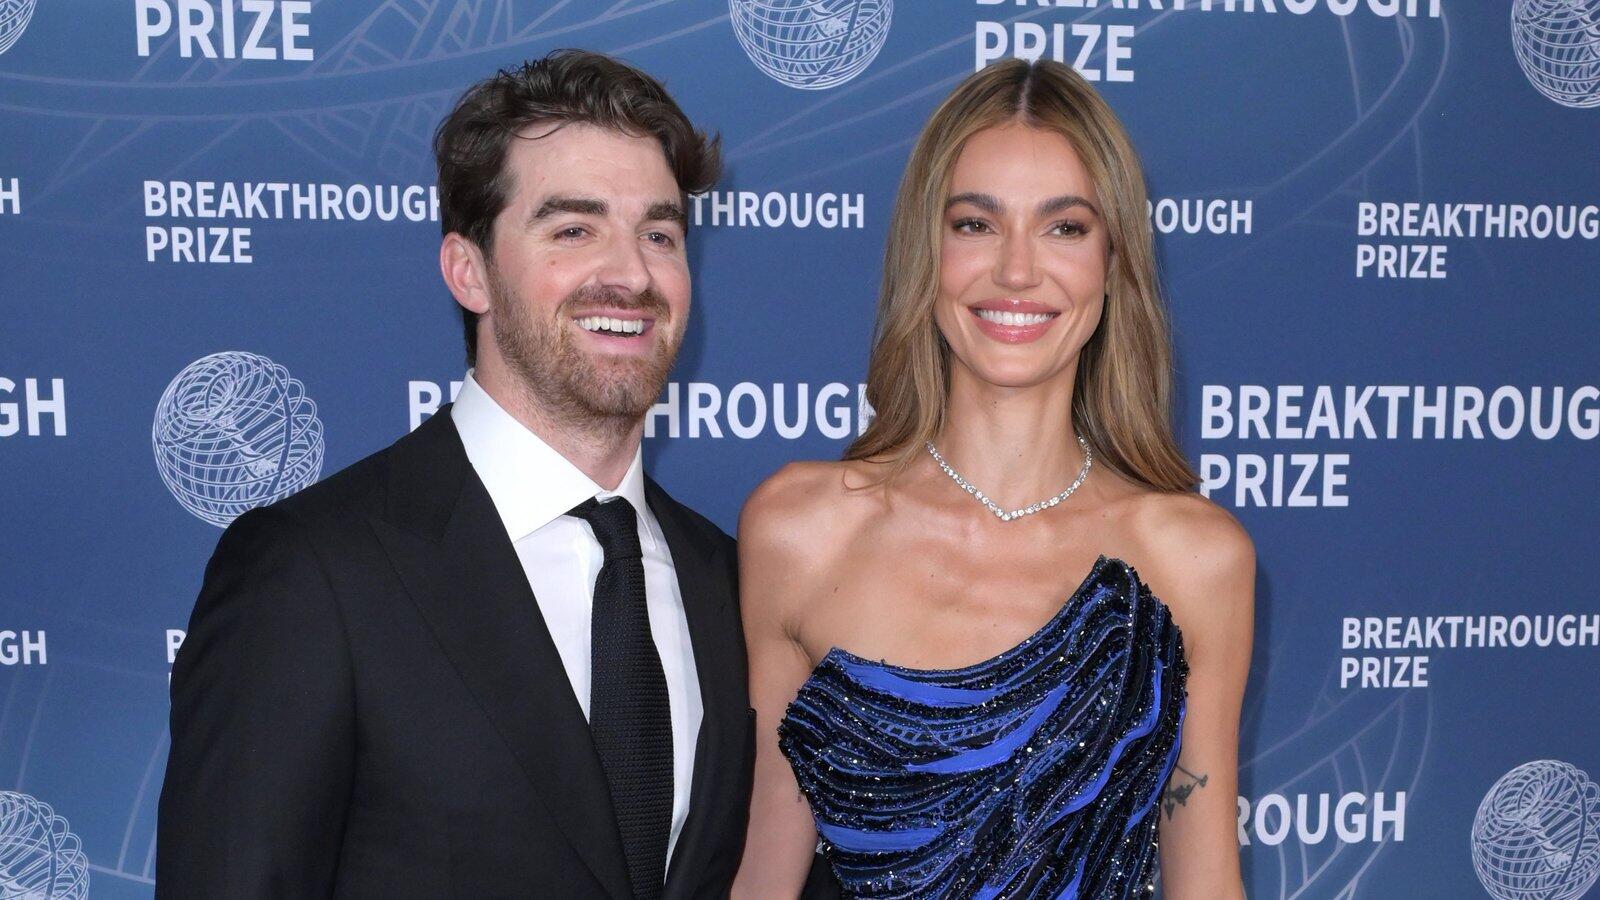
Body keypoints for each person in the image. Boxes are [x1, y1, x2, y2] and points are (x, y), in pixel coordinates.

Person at [156, 50, 753, 899]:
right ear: (468, 271)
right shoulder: (311, 573)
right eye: (573, 230)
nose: (631, 274)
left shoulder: (725, 579)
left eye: (659, 234)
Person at [733, 57, 1255, 899]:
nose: (1017, 270)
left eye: (1064, 227)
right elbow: (764, 875)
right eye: (976, 224)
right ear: (926, 253)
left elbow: (1208, 886)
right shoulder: (800, 530)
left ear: (1113, 262)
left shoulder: (1195, 558)